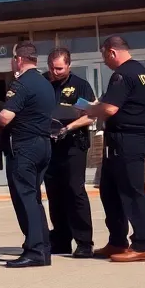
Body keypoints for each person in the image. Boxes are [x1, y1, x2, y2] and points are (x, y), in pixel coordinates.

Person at [75, 35, 145, 263]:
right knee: (110, 192)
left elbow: (110, 109)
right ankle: (117, 241)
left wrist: (90, 110)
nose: (104, 62)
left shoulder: (122, 74)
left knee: (132, 193)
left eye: (104, 56)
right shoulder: (144, 73)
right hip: (130, 139)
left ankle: (143, 245)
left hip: (128, 140)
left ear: (112, 52)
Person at [0, 41, 58, 268]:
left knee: (25, 198)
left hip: (24, 147)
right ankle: (43, 248)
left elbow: (5, 117)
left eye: (13, 59)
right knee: (35, 198)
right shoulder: (45, 83)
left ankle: (34, 250)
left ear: (19, 60)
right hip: (43, 145)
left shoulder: (21, 84)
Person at [45, 48, 97, 258]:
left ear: (68, 65)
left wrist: (67, 128)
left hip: (74, 144)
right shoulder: (43, 83)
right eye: (52, 68)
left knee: (75, 191)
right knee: (54, 192)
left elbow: (91, 115)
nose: (55, 72)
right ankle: (61, 240)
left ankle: (84, 242)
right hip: (49, 145)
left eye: (59, 68)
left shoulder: (80, 85)